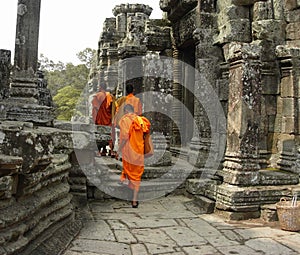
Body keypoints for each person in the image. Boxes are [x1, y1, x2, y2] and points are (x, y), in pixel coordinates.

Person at [117, 104, 151, 208]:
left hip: (128, 151)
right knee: (137, 175)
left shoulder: (124, 120)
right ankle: (134, 200)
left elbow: (125, 136)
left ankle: (128, 191)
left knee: (128, 170)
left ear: (126, 111)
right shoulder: (141, 120)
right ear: (133, 111)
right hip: (138, 151)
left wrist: (119, 149)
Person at [91, 83, 113, 155]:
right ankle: (105, 150)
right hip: (107, 117)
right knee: (108, 133)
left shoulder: (98, 95)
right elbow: (112, 108)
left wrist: (95, 116)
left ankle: (99, 150)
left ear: (100, 87)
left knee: (99, 132)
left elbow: (95, 107)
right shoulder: (110, 96)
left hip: (100, 118)